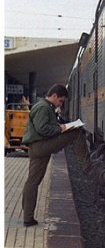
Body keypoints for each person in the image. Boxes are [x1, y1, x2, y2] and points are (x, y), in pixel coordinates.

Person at [21, 83, 92, 227]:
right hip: (40, 145)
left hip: (37, 147)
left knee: (33, 181)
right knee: (76, 134)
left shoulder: (47, 107)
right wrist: (63, 128)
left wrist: (63, 125)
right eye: (60, 101)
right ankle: (88, 167)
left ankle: (28, 218)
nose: (60, 104)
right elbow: (43, 129)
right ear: (54, 96)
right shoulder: (43, 107)